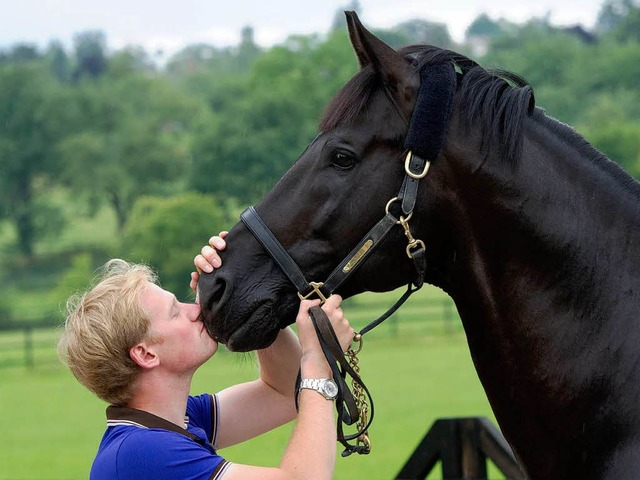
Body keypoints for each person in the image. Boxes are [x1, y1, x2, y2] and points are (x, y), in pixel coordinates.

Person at [58, 232, 355, 480]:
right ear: (146, 354)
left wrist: (244, 299)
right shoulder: (144, 452)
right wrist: (317, 365)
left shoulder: (178, 420)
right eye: (176, 312)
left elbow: (283, 392)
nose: (195, 310)